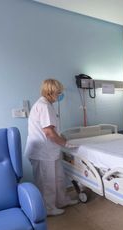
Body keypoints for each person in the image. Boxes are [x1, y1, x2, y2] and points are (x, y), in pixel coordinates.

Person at [25, 79, 78, 216]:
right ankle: (48, 208)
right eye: (59, 93)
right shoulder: (44, 106)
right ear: (51, 92)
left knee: (59, 178)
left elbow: (52, 130)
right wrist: (65, 143)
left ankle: (62, 200)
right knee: (47, 182)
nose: (60, 95)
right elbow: (49, 132)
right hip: (42, 153)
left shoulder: (47, 105)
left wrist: (61, 140)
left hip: (50, 151)